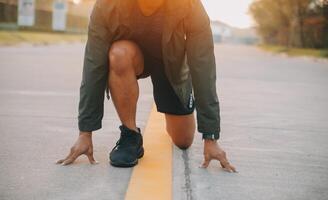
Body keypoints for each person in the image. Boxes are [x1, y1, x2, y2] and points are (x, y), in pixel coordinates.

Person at [57, 0, 236, 172]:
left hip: (170, 65)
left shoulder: (188, 4)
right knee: (118, 54)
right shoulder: (108, 5)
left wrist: (210, 137)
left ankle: (173, 112)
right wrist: (85, 133)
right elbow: (93, 65)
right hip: (132, 56)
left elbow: (203, 65)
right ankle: (130, 135)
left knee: (183, 140)